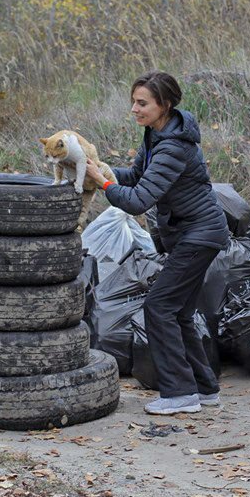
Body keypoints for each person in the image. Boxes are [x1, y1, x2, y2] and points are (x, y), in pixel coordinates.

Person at [84, 71, 229, 415]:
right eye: (133, 101)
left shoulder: (175, 145)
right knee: (178, 312)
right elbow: (136, 177)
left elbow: (137, 201)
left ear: (164, 105)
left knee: (159, 307)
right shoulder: (156, 134)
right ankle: (204, 388)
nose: (134, 109)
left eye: (142, 103)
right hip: (190, 234)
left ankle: (180, 393)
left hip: (200, 234)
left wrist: (102, 184)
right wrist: (103, 169)